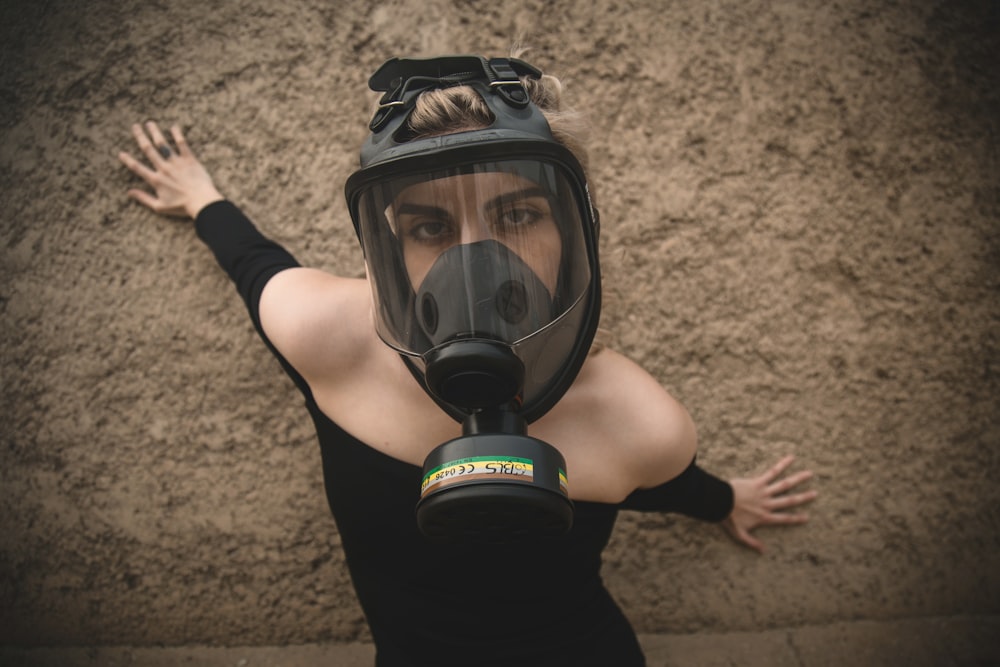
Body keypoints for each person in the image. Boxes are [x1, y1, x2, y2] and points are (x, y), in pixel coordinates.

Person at [119, 53, 817, 666]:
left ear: (573, 230)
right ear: (390, 248)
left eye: (518, 215)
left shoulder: (636, 419)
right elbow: (255, 265)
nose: (476, 265)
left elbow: (665, 481)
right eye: (429, 225)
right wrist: (202, 198)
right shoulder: (329, 337)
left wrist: (728, 499)